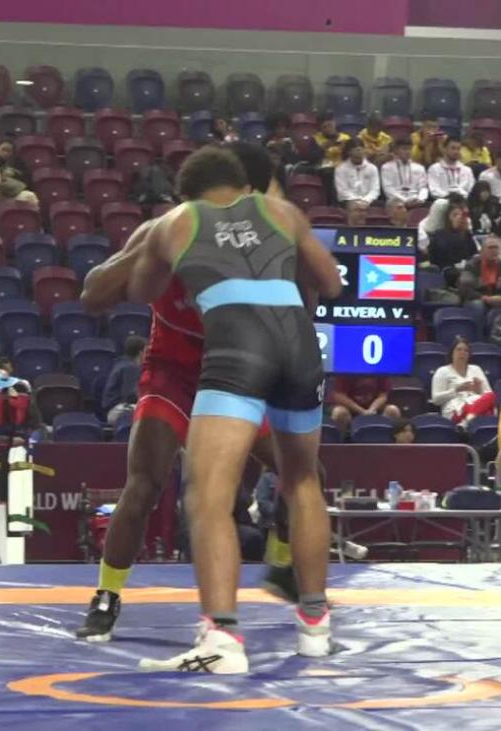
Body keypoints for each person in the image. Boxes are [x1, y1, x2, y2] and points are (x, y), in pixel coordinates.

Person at [109, 146, 344, 673]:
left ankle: (222, 637)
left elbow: (144, 290)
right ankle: (314, 627)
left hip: (239, 345)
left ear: (187, 193)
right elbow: (329, 283)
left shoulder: (176, 221)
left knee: (209, 494)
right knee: (302, 480)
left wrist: (176, 259)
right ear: (244, 185)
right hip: (300, 345)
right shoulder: (282, 212)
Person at [73, 143, 300, 646]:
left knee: (304, 471)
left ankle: (283, 565)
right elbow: (92, 295)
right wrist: (148, 252)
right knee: (145, 483)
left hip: (231, 377)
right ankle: (106, 597)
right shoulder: (165, 233)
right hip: (172, 375)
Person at [430, 337, 495, 426]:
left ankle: (466, 421)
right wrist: (456, 390)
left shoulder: (476, 369)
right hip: (456, 409)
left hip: (475, 404)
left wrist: (479, 390)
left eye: (466, 351)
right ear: (452, 353)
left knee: (491, 396)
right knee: (486, 413)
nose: (462, 353)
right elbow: (436, 399)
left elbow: (489, 394)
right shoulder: (442, 371)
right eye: (459, 350)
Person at [457, 237, 501, 317]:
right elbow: (465, 289)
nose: (494, 250)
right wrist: (485, 298)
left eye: (496, 247)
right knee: (478, 305)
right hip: (477, 298)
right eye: (490, 248)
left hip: (498, 298)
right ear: (482, 251)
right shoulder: (472, 266)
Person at [328, 375, 403, 432]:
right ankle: (341, 443)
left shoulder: (380, 369)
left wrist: (371, 410)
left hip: (374, 409)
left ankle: (385, 441)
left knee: (392, 410)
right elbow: (339, 396)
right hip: (349, 409)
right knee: (339, 412)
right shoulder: (346, 369)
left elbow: (383, 396)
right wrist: (362, 411)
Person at [102, 335, 145, 425]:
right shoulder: (131, 367)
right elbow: (130, 395)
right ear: (141, 352)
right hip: (118, 410)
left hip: (116, 409)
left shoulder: (122, 363)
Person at [0, 138, 39, 207]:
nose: (5, 153)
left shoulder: (19, 163)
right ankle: (0, 192)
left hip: (14, 193)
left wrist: (14, 174)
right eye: (3, 149)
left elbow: (27, 180)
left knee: (31, 196)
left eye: (8, 151)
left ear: (13, 152)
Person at [426, 203, 477, 273]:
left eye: (462, 215)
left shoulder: (467, 235)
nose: (459, 217)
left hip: (466, 272)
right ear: (448, 217)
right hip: (445, 272)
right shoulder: (438, 236)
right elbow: (435, 259)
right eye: (455, 215)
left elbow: (473, 255)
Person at [380, 137, 429, 208]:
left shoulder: (419, 168)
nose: (407, 152)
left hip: (416, 201)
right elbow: (388, 189)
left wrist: (420, 199)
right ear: (396, 150)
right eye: (404, 149)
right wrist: (405, 201)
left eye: (409, 149)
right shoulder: (387, 167)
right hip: (396, 202)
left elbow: (423, 188)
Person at [334, 138, 380, 206]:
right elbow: (342, 190)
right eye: (356, 150)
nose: (359, 152)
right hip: (348, 200)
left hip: (368, 201)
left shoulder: (372, 168)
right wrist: (356, 201)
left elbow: (375, 189)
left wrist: (366, 201)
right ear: (349, 152)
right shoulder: (341, 169)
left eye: (360, 150)